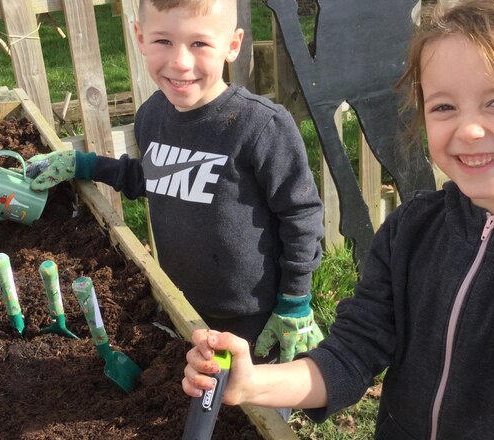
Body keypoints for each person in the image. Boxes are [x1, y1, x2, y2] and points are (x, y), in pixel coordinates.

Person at [182, 0, 494, 438]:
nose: (468, 129)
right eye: (444, 107)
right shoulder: (411, 229)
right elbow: (351, 354)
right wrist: (253, 380)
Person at [25, 0, 325, 365]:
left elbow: (301, 214)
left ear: (233, 44)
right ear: (140, 37)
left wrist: (294, 301)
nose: (180, 62)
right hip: (182, 304)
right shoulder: (152, 116)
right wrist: (84, 164)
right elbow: (154, 177)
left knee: (252, 412)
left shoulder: (260, 127)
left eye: (199, 43)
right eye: (163, 41)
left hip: (255, 316)